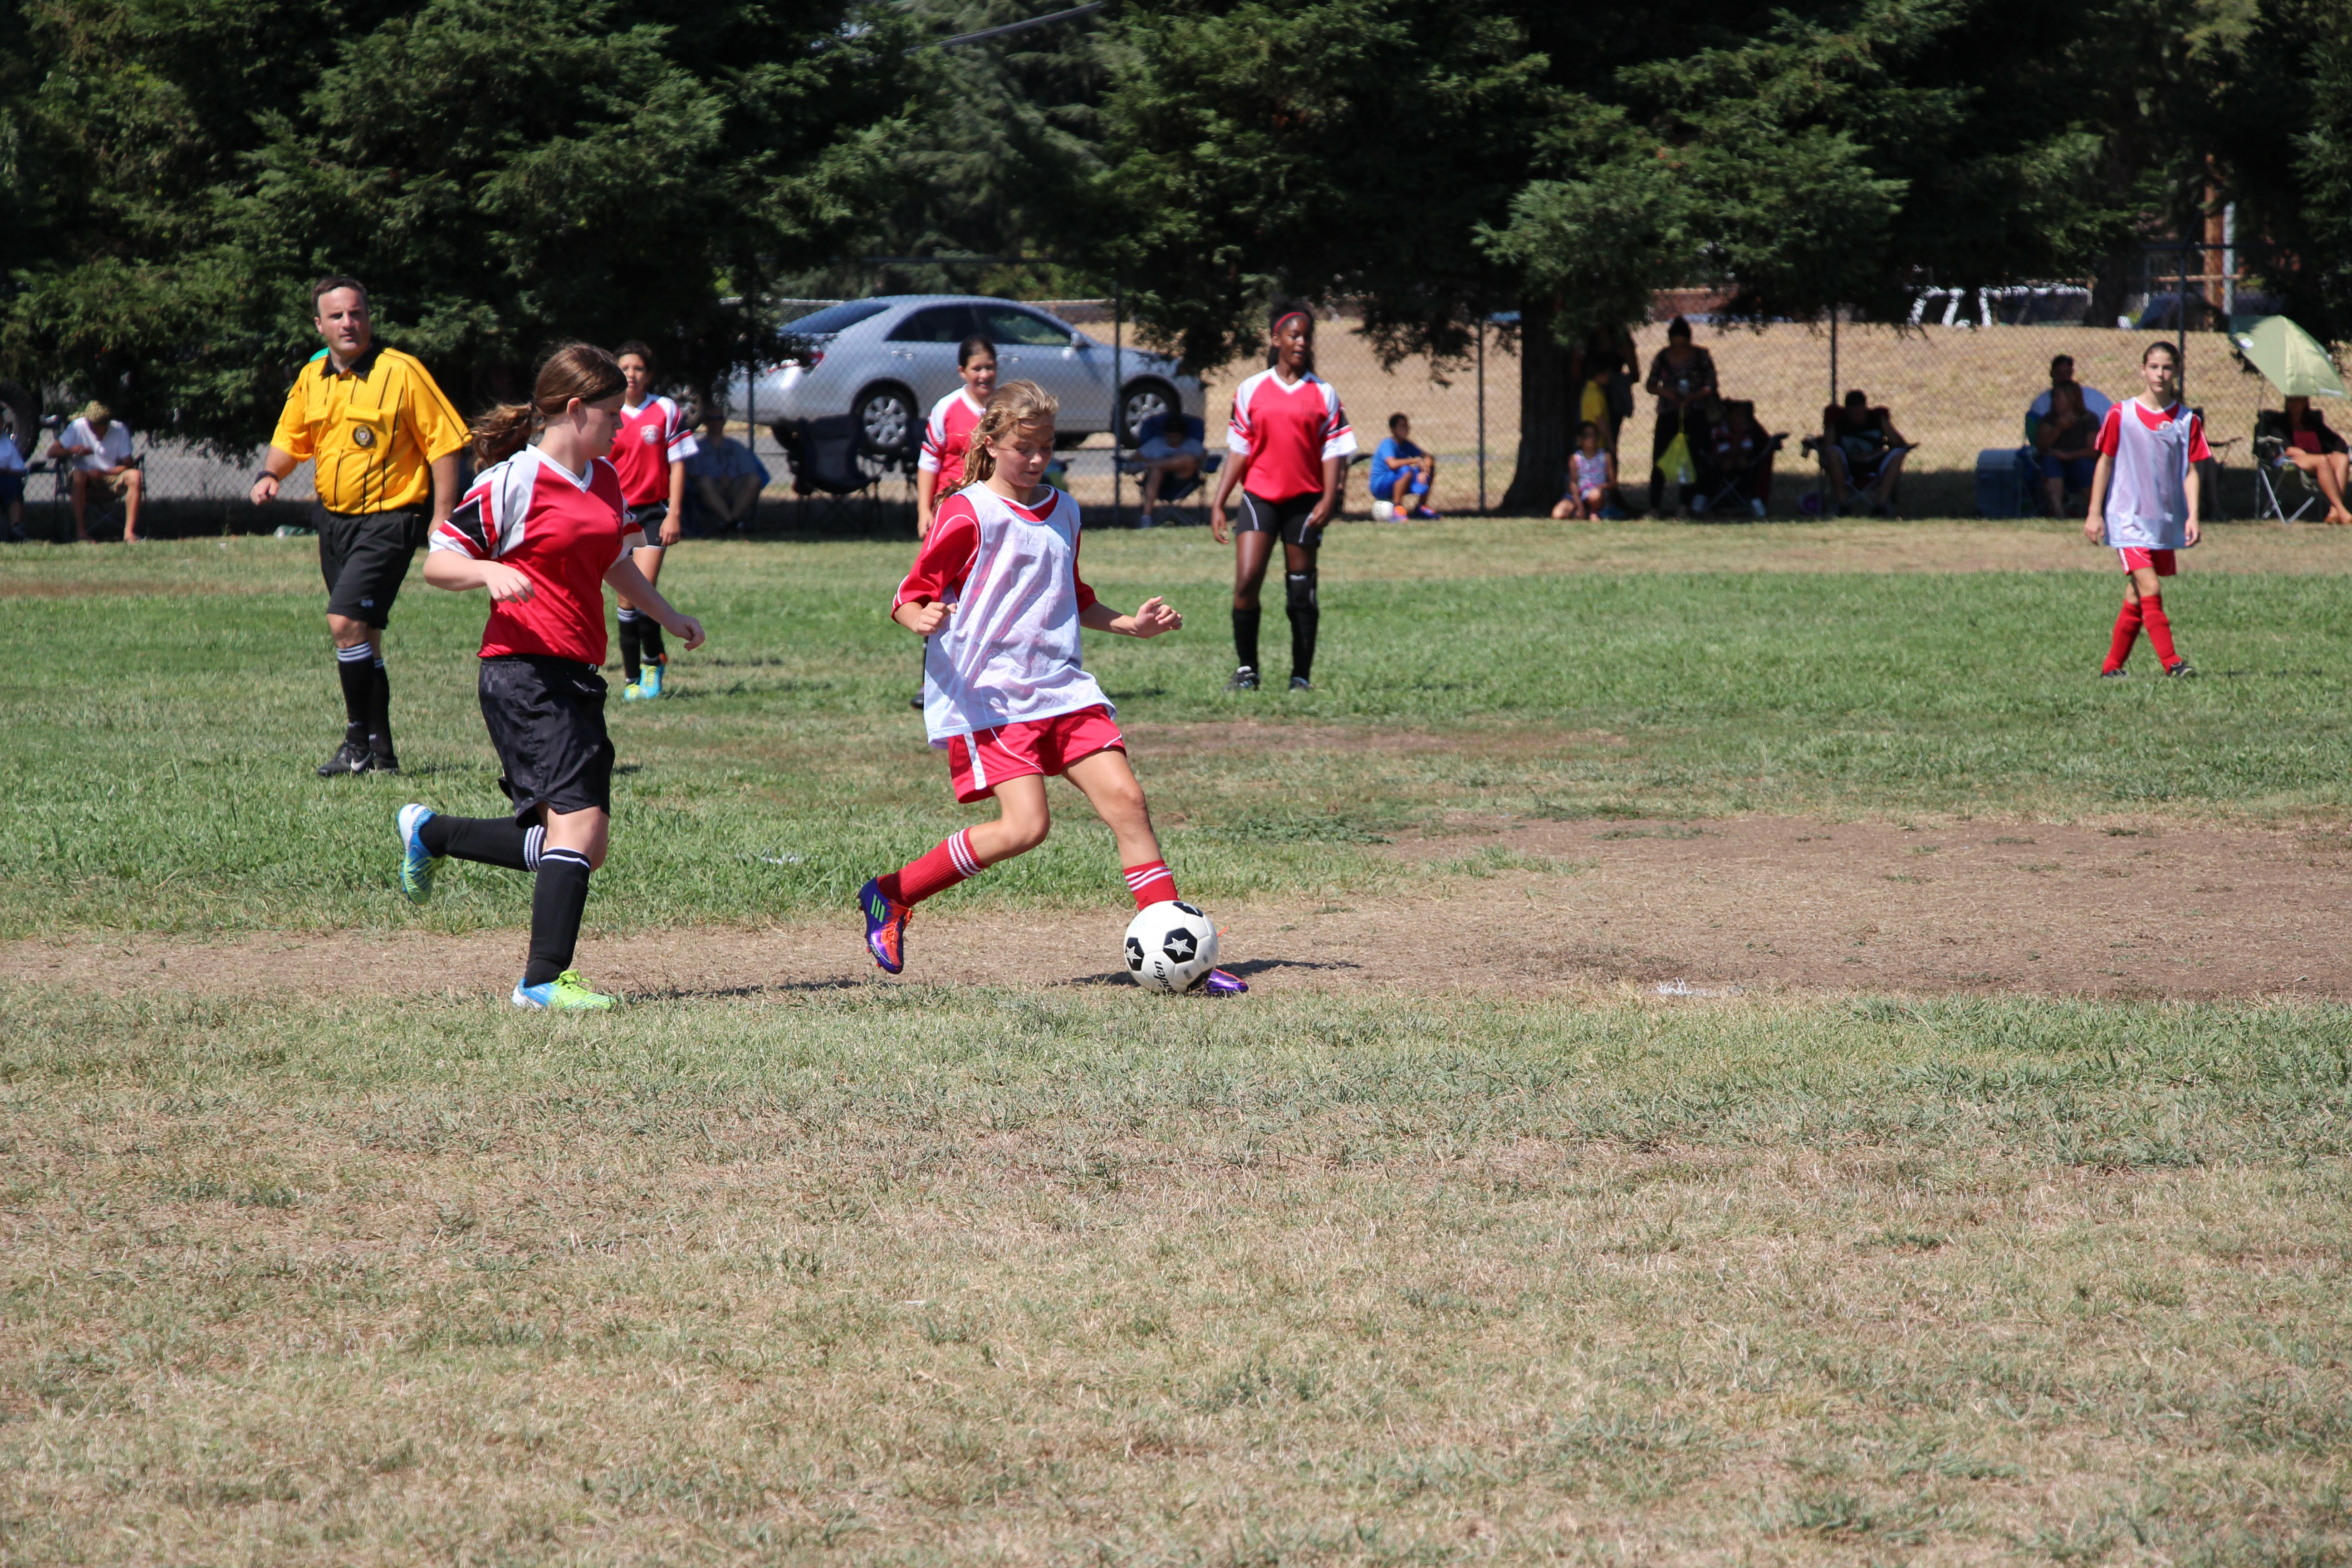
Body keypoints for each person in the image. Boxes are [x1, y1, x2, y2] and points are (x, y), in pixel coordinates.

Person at [856, 379, 1244, 995]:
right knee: (1025, 828)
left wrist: (1131, 625)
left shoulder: (1065, 509)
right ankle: (892, 894)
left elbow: (1074, 597)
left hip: (1063, 688)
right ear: (991, 443)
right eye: (1024, 448)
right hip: (993, 697)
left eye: (1046, 447)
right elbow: (910, 594)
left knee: (1128, 802)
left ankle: (1184, 960)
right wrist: (918, 618)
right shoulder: (966, 512)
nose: (1037, 459)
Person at [396, 344, 706, 1010]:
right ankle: (541, 981)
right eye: (611, 414)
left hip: (577, 676)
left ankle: (432, 832)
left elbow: (614, 561)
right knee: (578, 831)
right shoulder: (512, 481)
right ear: (575, 409)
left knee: (586, 844)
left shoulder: (605, 478)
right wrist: (488, 570)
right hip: (522, 672)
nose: (622, 426)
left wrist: (667, 614)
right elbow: (439, 563)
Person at [252, 276, 467, 778]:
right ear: (319, 325)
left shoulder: (402, 371)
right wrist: (270, 474)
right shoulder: (313, 377)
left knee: (344, 623)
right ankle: (381, 752)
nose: (349, 323)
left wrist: (442, 518)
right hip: (333, 523)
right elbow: (291, 437)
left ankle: (355, 745)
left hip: (390, 519)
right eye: (337, 316)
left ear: (369, 318)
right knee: (364, 637)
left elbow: (446, 444)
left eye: (357, 313)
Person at [1209, 308, 1357, 692]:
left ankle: (1300, 678)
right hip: (1260, 499)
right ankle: (1247, 672)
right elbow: (1240, 450)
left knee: (1301, 592)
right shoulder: (1251, 389)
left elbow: (1334, 451)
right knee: (1246, 581)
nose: (1302, 342)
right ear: (1277, 340)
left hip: (1304, 505)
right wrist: (1219, 502)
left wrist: (1329, 498)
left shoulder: (1323, 393)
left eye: (1307, 336)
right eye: (1294, 335)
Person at [2086, 341, 2205, 679]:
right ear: (2143, 370)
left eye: (2167, 368)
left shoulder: (2186, 420)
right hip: (2128, 519)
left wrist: (2193, 515)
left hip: (2164, 522)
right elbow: (2105, 462)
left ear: (2177, 371)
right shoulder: (2121, 414)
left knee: (2137, 596)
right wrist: (2094, 513)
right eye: (2154, 367)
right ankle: (2173, 663)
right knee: (2151, 587)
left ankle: (2112, 668)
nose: (2160, 374)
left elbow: (2191, 470)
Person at [606, 341, 698, 701]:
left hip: (651, 513)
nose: (631, 374)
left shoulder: (665, 410)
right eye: (625, 368)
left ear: (649, 375)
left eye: (639, 368)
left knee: (642, 589)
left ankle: (651, 665)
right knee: (625, 598)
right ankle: (632, 678)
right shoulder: (607, 412)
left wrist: (673, 513)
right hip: (615, 514)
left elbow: (678, 463)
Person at [916, 335, 999, 537]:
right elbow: (929, 461)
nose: (985, 375)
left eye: (990, 367)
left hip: (996, 508)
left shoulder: (1008, 407)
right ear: (962, 372)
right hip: (952, 507)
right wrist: (924, 511)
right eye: (977, 369)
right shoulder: (946, 407)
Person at [1644, 316, 1717, 516]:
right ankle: (1654, 507)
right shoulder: (1663, 357)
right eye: (1675, 346)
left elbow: (1711, 385)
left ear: (1690, 340)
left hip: (1694, 414)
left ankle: (1684, 505)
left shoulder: (1702, 356)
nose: (1679, 350)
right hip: (1668, 413)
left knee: (1690, 459)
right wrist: (1666, 393)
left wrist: (1694, 396)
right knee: (1660, 457)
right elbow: (1650, 385)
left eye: (1683, 346)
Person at [54, 402, 144, 543]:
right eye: (92, 424)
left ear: (107, 424)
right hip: (84, 479)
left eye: (99, 425)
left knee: (135, 475)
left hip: (111, 476)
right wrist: (75, 450)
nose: (94, 428)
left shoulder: (119, 430)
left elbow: (128, 466)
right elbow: (52, 452)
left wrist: (105, 472)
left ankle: (129, 533)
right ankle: (81, 533)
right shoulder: (77, 426)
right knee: (78, 475)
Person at [1819, 390, 1912, 515]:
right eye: (1854, 415)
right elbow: (1826, 451)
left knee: (1899, 453)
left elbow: (1900, 443)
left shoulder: (1877, 419)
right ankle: (1843, 506)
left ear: (1866, 408)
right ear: (1847, 411)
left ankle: (1881, 507)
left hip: (1875, 464)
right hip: (1849, 466)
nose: (1858, 418)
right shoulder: (1838, 424)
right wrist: (1853, 456)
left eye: (1861, 414)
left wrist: (1882, 449)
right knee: (1833, 452)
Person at [683, 411, 770, 531]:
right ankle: (732, 524)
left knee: (754, 480)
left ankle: (730, 523)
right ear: (705, 422)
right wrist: (716, 481)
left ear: (724, 421)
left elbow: (750, 470)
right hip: (709, 490)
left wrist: (731, 480)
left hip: (734, 488)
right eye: (711, 418)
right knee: (704, 482)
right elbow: (692, 475)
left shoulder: (737, 447)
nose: (715, 422)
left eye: (719, 418)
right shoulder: (696, 448)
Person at [2276, 395, 2352, 524]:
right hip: (2293, 460)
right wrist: (2309, 454)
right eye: (2290, 400)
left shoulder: (2312, 422)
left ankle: (2334, 512)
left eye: (2297, 400)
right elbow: (2287, 449)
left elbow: (2338, 441)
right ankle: (2343, 511)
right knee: (2322, 461)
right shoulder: (2279, 423)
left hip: (2319, 459)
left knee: (2343, 459)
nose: (2293, 404)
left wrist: (2335, 452)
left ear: (2305, 402)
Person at [2035, 381, 2102, 517]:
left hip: (2080, 461)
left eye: (2058, 396)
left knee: (2084, 465)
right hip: (2056, 462)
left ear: (2071, 398)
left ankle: (2095, 510)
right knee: (2050, 461)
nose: (2054, 400)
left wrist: (2066, 456)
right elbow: (2042, 447)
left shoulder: (2089, 419)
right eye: (2054, 397)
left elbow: (2092, 451)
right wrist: (2058, 429)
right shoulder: (2050, 419)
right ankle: (2058, 511)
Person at [1128, 409, 1207, 518]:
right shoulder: (1156, 443)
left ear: (1183, 435)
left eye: (1176, 437)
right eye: (1169, 436)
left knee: (1189, 459)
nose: (1173, 440)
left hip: (1182, 482)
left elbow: (1204, 460)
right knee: (1156, 470)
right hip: (1159, 483)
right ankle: (1146, 517)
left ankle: (1150, 465)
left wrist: (1147, 464)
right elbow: (1135, 458)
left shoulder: (1193, 445)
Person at [1703, 399, 1774, 517]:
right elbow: (1725, 453)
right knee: (1727, 464)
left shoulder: (1745, 432)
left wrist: (1738, 447)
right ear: (1729, 417)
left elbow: (1746, 451)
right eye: (1739, 415)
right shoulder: (1720, 431)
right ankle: (1707, 497)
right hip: (1721, 461)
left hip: (1737, 461)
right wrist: (1737, 438)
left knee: (1742, 463)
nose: (1743, 419)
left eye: (1744, 416)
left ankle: (1752, 498)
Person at [1369, 413, 1438, 521]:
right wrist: (1416, 461)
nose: (1405, 430)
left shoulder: (1407, 444)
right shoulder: (1388, 444)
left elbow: (1428, 458)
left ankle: (1421, 507)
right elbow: (1392, 464)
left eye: (1407, 427)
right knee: (1406, 470)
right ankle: (1397, 509)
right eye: (1402, 427)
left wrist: (1425, 471)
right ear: (1393, 429)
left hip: (1400, 478)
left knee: (1430, 468)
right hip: (1380, 485)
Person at [2026, 354, 2113, 438]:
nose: (2064, 378)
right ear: (2051, 374)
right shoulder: (2043, 407)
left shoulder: (2093, 402)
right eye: (2059, 373)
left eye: (2067, 373)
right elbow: (2039, 442)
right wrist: (2058, 429)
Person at [1552, 421, 1617, 519]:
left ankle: (1594, 511)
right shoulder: (1575, 458)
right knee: (1558, 515)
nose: (1592, 439)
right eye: (1587, 436)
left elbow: (1613, 483)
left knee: (1596, 495)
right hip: (1578, 495)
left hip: (1596, 493)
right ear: (1580, 439)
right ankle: (1580, 510)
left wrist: (1600, 487)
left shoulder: (1605, 456)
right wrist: (1579, 505)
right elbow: (1574, 483)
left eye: (1594, 435)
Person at [0, 426, 25, 541]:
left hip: (4, 478)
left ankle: (16, 528)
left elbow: (19, 470)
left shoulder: (8, 444)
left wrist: (4, 471)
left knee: (14, 484)